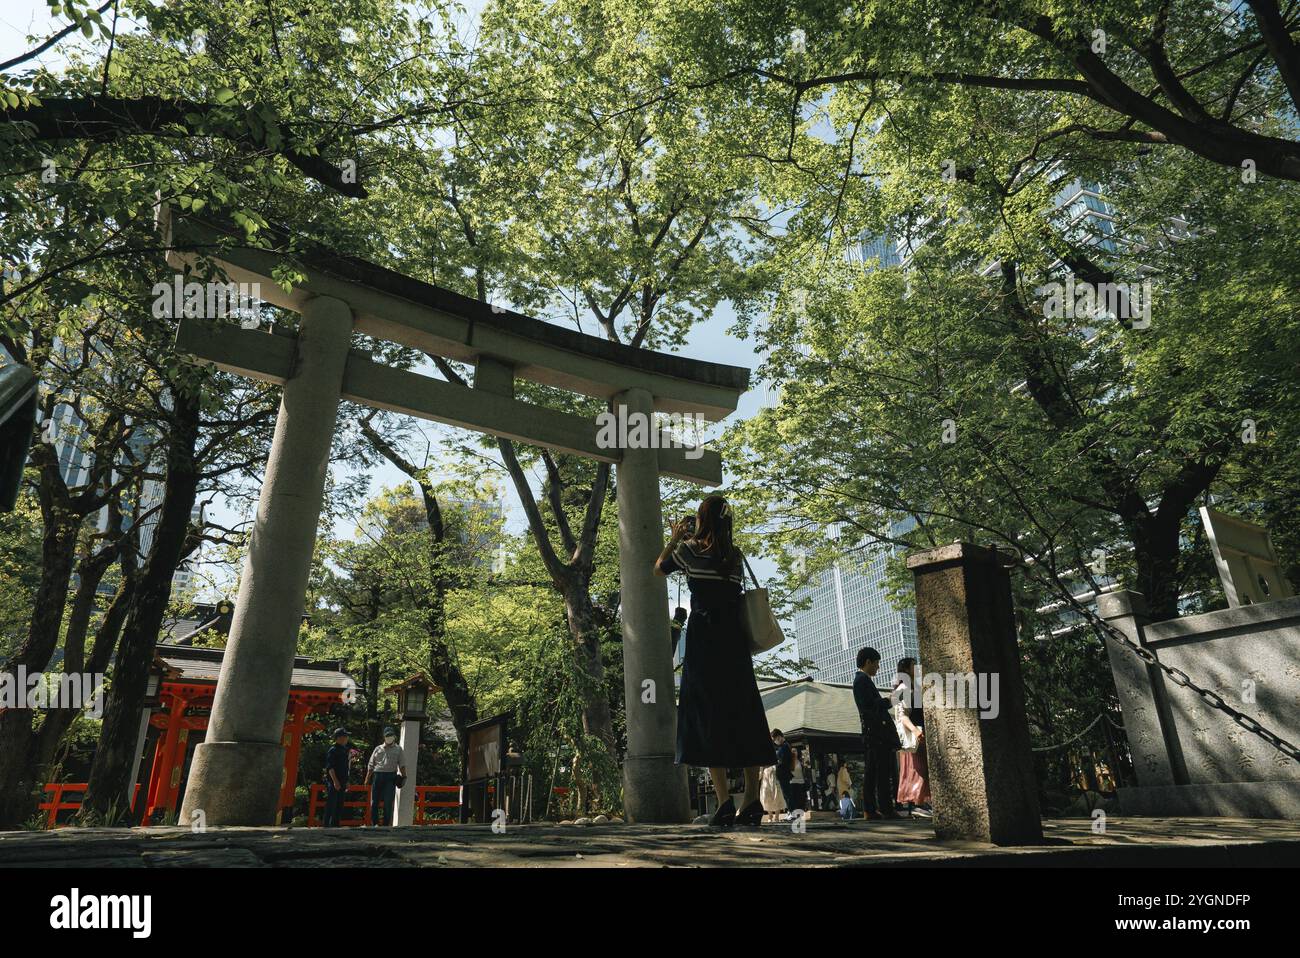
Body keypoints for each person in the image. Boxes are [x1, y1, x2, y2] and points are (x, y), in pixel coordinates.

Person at [655, 494, 774, 827]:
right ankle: (751, 798)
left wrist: (677, 536)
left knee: (706, 713)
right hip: (734, 641)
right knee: (744, 710)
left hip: (704, 639)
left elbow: (659, 568)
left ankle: (723, 802)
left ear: (701, 519)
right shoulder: (734, 556)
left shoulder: (690, 550)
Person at [853, 646, 902, 819]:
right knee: (880, 772)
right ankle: (884, 808)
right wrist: (890, 700)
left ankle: (872, 809)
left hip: (872, 734)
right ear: (868, 662)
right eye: (876, 663)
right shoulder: (862, 681)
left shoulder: (862, 681)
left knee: (873, 772)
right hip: (876, 734)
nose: (878, 667)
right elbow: (870, 707)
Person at [893, 658, 933, 817]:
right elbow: (902, 715)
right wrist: (916, 731)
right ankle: (919, 804)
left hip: (918, 734)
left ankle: (921, 804)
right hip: (916, 735)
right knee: (920, 770)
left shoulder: (911, 688)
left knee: (921, 769)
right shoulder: (905, 688)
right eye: (914, 666)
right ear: (907, 670)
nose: (918, 668)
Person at [364, 726, 406, 826]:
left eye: (391, 735)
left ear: (394, 736)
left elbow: (402, 764)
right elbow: (371, 764)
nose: (389, 737)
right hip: (377, 775)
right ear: (384, 737)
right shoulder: (377, 748)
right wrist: (367, 778)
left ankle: (386, 824)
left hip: (390, 776)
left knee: (388, 802)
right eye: (387, 735)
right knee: (374, 802)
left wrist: (404, 776)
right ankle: (375, 824)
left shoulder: (398, 749)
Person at [323, 727, 351, 828]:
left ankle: (335, 824)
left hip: (343, 780)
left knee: (340, 803)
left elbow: (345, 767)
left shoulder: (345, 750)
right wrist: (335, 781)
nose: (347, 738)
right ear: (339, 738)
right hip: (333, 781)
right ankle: (326, 824)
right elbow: (330, 767)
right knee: (331, 803)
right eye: (345, 736)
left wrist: (347, 780)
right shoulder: (333, 750)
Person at [772, 728, 795, 813]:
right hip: (783, 773)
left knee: (787, 794)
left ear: (779, 737)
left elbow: (784, 761)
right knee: (786, 794)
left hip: (783, 773)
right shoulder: (783, 746)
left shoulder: (784, 746)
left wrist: (777, 763)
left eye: (775, 739)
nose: (775, 741)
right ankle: (790, 811)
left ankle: (792, 812)